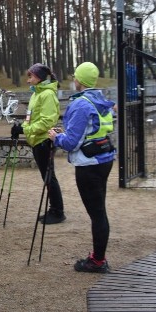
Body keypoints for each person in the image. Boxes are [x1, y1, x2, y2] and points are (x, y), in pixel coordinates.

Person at [48, 62, 116, 274]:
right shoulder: (101, 100)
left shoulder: (80, 104)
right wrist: (66, 134)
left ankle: (97, 261)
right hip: (104, 159)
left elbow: (71, 143)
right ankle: (98, 257)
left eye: (75, 76)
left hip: (89, 165)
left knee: (97, 214)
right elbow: (91, 131)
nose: (73, 80)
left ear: (80, 80)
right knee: (99, 211)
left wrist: (56, 137)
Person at [10, 63, 65, 224]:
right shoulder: (37, 94)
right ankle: (54, 208)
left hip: (44, 141)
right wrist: (21, 128)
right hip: (36, 140)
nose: (28, 80)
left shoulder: (47, 94)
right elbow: (31, 118)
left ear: (39, 78)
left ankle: (58, 211)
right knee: (46, 177)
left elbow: (47, 121)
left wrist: (25, 130)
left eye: (31, 76)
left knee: (49, 177)